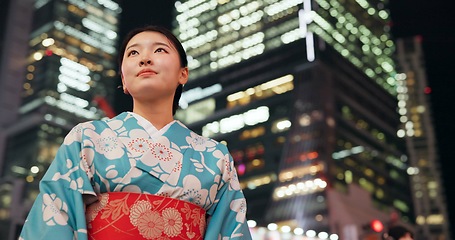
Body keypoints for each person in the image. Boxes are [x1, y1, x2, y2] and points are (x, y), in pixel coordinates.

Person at [19, 25, 253, 240]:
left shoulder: (215, 156)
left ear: (184, 73)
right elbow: (54, 217)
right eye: (133, 53)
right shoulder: (86, 138)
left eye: (160, 50)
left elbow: (230, 231)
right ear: (123, 79)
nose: (145, 59)